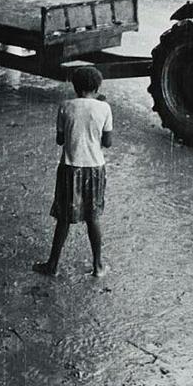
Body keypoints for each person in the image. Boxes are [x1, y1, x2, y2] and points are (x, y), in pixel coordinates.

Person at [34, 66, 112, 279]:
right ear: (97, 87)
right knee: (93, 217)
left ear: (75, 87)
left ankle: (52, 265)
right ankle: (98, 266)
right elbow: (108, 142)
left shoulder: (65, 106)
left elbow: (60, 140)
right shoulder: (104, 108)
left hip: (70, 167)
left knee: (64, 218)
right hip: (95, 168)